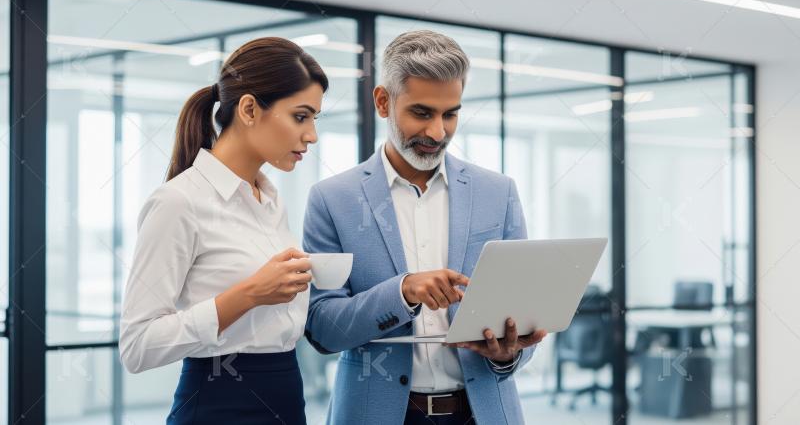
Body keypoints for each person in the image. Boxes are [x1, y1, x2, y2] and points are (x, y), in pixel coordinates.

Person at [303, 30, 547, 425]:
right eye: (422, 113)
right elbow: (324, 329)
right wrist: (402, 291)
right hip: (377, 414)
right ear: (383, 102)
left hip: (481, 413)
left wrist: (511, 353)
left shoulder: (497, 192)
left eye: (450, 114)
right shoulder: (332, 199)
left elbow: (521, 313)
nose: (438, 132)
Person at [119, 37, 327, 425]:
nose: (312, 134)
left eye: (316, 119)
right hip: (218, 404)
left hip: (286, 398)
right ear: (249, 109)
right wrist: (249, 294)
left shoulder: (269, 199)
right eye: (301, 116)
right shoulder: (178, 202)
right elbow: (138, 347)